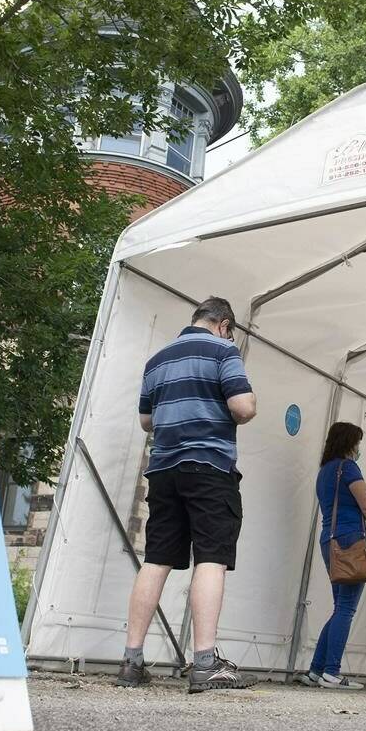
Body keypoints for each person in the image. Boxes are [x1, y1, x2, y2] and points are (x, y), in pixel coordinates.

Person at [117, 297, 257, 693]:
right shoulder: (223, 350)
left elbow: (147, 420)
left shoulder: (158, 359)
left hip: (163, 470)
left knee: (156, 558)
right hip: (209, 468)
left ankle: (131, 661)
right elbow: (242, 407)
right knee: (211, 557)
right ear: (224, 324)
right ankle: (205, 663)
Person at [298, 422, 366, 690]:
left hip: (329, 540)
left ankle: (317, 670)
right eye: (357, 442)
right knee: (346, 608)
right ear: (349, 443)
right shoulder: (349, 468)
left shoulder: (324, 472)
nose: (359, 448)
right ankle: (332, 672)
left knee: (340, 608)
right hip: (350, 540)